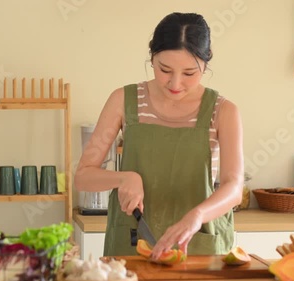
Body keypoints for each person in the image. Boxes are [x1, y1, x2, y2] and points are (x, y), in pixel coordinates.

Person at [74, 12, 244, 259]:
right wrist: (123, 179)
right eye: (164, 70)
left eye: (189, 73)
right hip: (131, 245)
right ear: (152, 57)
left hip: (199, 245)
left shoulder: (223, 111)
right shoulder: (123, 101)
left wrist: (197, 216)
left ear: (206, 64)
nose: (175, 83)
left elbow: (234, 187)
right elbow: (83, 176)